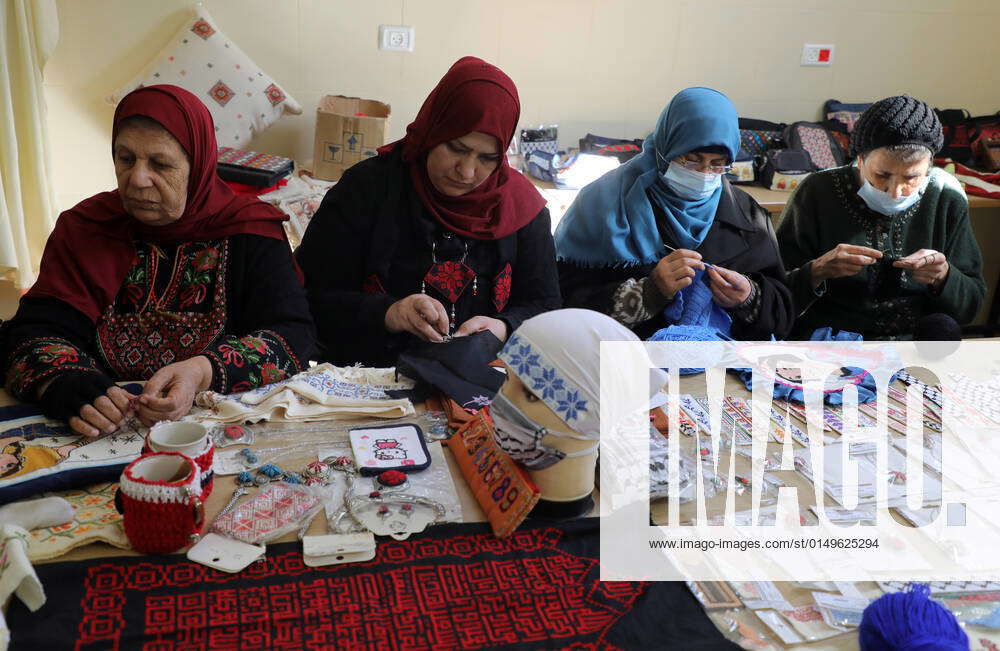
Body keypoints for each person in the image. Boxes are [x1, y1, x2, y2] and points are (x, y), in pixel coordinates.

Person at [0, 85, 315, 437]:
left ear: (198, 165)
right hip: (102, 432)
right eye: (125, 158)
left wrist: (202, 371)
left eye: (160, 164)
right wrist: (65, 381)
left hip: (218, 430)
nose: (137, 179)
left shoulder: (249, 231)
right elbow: (33, 333)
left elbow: (292, 337)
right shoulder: (86, 228)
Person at [296, 56, 560, 367]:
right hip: (371, 376)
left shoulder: (521, 207)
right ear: (433, 130)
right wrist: (388, 313)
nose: (467, 171)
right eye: (457, 149)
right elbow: (307, 296)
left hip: (480, 378)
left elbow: (545, 306)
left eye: (487, 158)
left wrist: (503, 327)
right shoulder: (366, 190)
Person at [555, 88, 793, 340]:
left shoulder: (745, 215)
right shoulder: (604, 204)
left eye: (717, 164)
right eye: (691, 160)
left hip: (718, 370)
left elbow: (783, 311)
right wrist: (647, 293)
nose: (703, 173)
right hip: (625, 363)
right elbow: (561, 303)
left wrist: (749, 297)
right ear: (664, 149)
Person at [776, 95, 986, 339]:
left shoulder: (945, 195)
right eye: (882, 175)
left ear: (929, 167)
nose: (895, 192)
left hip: (914, 347)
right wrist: (817, 271)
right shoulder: (817, 192)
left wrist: (944, 277)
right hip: (830, 344)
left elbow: (972, 304)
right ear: (859, 158)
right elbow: (773, 295)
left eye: (911, 178)